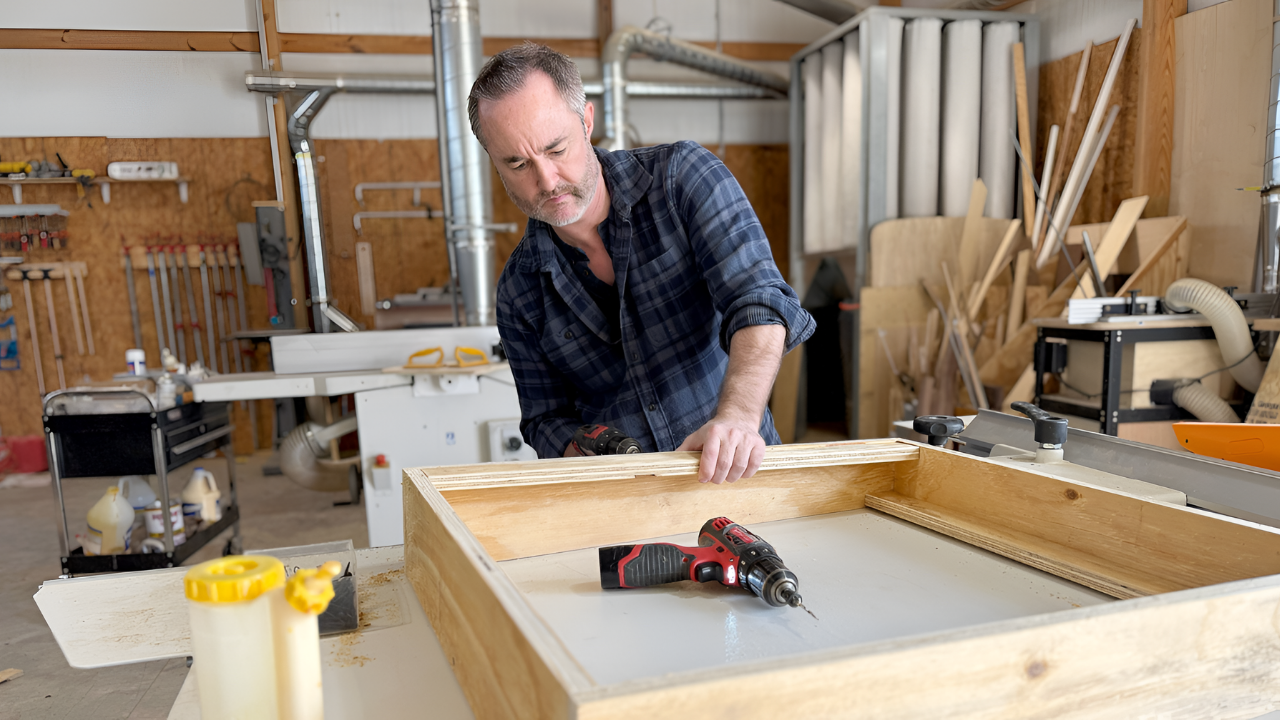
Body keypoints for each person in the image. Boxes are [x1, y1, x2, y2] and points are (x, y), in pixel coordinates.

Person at [468, 42, 814, 485]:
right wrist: (583, 449)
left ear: (586, 121)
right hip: (626, 502)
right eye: (518, 164)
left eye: (556, 150)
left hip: (739, 474)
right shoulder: (519, 292)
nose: (547, 181)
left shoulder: (682, 178)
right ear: (494, 163)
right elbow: (544, 420)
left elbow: (760, 301)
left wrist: (737, 419)